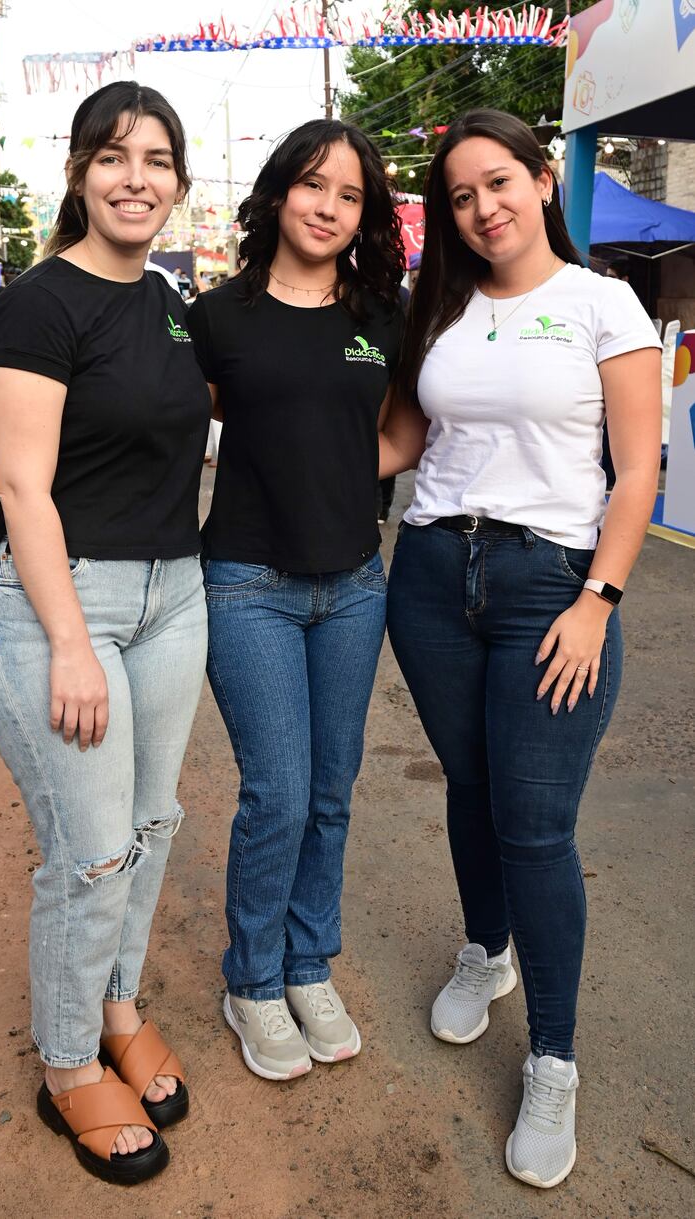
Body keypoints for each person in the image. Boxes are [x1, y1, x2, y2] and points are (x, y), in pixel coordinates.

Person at [381, 109, 661, 1189]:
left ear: (541, 182)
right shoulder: (437, 308)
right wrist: (277, 455)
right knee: (466, 785)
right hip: (428, 578)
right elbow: (404, 440)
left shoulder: (601, 303)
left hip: (549, 585)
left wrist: (597, 598)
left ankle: (552, 1058)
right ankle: (482, 948)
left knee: (534, 825)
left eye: (496, 183)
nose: (481, 207)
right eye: (459, 196)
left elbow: (634, 471)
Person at [0, 81, 211, 1185]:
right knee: (93, 849)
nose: (136, 178)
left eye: (156, 159)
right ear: (79, 172)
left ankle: (117, 1008)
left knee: (153, 823)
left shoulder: (166, 301)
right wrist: (70, 640)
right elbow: (22, 485)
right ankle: (69, 1063)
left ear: (177, 181)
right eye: (113, 157)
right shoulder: (37, 302)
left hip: (173, 596)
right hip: (64, 603)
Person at [187, 118, 404, 1081]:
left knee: (331, 790)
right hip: (249, 585)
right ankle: (255, 979)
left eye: (350, 195)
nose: (328, 207)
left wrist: (347, 479)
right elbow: (180, 424)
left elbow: (406, 432)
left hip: (356, 584)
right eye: (315, 185)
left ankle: (310, 962)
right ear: (279, 192)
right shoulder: (218, 315)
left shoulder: (380, 313)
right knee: (276, 791)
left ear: (365, 215)